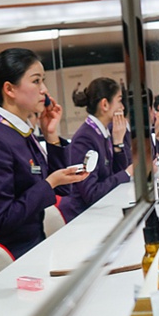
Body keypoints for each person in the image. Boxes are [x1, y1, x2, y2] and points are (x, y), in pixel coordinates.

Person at [0, 48, 87, 258]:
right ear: (10, 89)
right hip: (4, 259)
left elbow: (64, 191)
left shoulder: (21, 131)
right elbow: (1, 219)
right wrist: (49, 184)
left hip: (32, 249)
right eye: (36, 81)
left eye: (43, 81)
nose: (44, 90)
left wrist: (51, 135)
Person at [59, 77, 134, 222]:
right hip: (83, 218)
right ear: (105, 104)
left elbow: (114, 176)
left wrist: (118, 143)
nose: (123, 107)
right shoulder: (85, 138)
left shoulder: (103, 133)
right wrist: (127, 173)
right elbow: (92, 193)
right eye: (119, 100)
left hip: (102, 211)